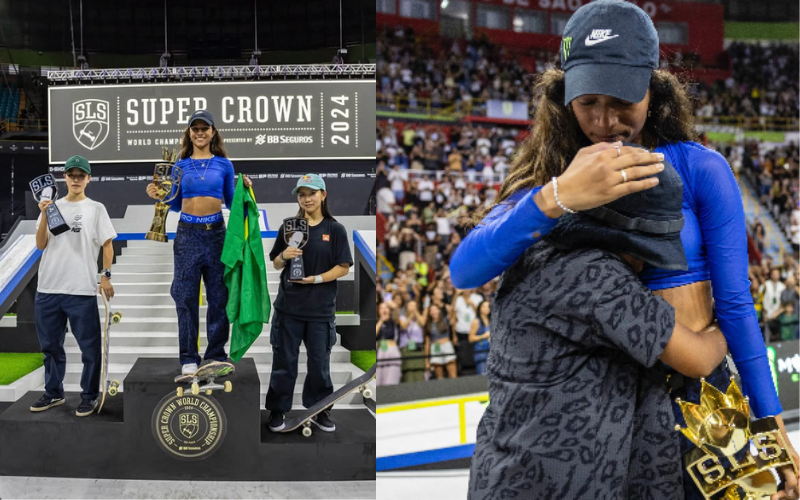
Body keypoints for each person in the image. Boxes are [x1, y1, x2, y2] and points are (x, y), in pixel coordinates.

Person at [452, 1, 798, 498]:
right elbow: (466, 270)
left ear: (653, 89)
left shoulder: (700, 168)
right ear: (565, 96)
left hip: (707, 403)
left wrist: (770, 426)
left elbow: (735, 304)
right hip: (611, 412)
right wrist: (558, 196)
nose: (604, 120)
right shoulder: (555, 178)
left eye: (622, 101)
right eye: (587, 101)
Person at [468, 160, 730, 499]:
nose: (643, 266)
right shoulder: (597, 277)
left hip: (506, 468)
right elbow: (698, 358)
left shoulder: (534, 247)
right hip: (558, 483)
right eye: (644, 252)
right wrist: (723, 323)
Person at [145, 110, 251, 376]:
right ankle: (189, 357)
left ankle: (215, 355)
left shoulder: (224, 165)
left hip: (216, 235)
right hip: (187, 235)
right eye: (196, 129)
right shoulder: (179, 166)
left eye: (205, 128)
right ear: (189, 133)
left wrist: (245, 190)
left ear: (213, 132)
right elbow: (176, 205)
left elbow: (231, 201)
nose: (200, 133)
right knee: (185, 298)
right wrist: (160, 195)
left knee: (219, 297)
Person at [265, 174, 353, 433]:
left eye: (312, 193)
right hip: (288, 309)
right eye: (302, 195)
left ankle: (320, 409)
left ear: (323, 195)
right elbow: (276, 263)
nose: (307, 199)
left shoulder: (335, 229)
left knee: (319, 367)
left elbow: (343, 267)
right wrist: (284, 255)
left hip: (320, 311)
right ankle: (277, 410)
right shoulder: (289, 226)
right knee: (284, 363)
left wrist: (316, 279)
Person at [30, 155, 116, 417]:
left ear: (88, 179)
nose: (76, 179)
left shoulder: (96, 208)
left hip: (81, 289)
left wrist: (106, 275)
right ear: (64, 177)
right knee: (50, 347)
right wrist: (44, 214)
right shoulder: (51, 206)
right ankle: (53, 393)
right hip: (48, 287)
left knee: (90, 348)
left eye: (81, 175)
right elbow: (41, 244)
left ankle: (89, 396)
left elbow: (107, 244)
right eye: (71, 175)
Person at [376, 302, 402, 386]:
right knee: (379, 381)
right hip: (380, 352)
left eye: (386, 308)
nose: (384, 310)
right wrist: (381, 320)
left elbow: (396, 312)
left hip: (392, 350)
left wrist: (392, 305)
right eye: (381, 308)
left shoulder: (393, 320)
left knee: (391, 380)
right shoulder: (377, 322)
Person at [468, 300, 490, 375]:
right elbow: (470, 338)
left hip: (492, 352)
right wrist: (483, 336)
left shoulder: (492, 320)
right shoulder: (476, 321)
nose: (487, 308)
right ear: (479, 308)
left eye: (488, 306)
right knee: (482, 376)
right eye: (484, 306)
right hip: (481, 353)